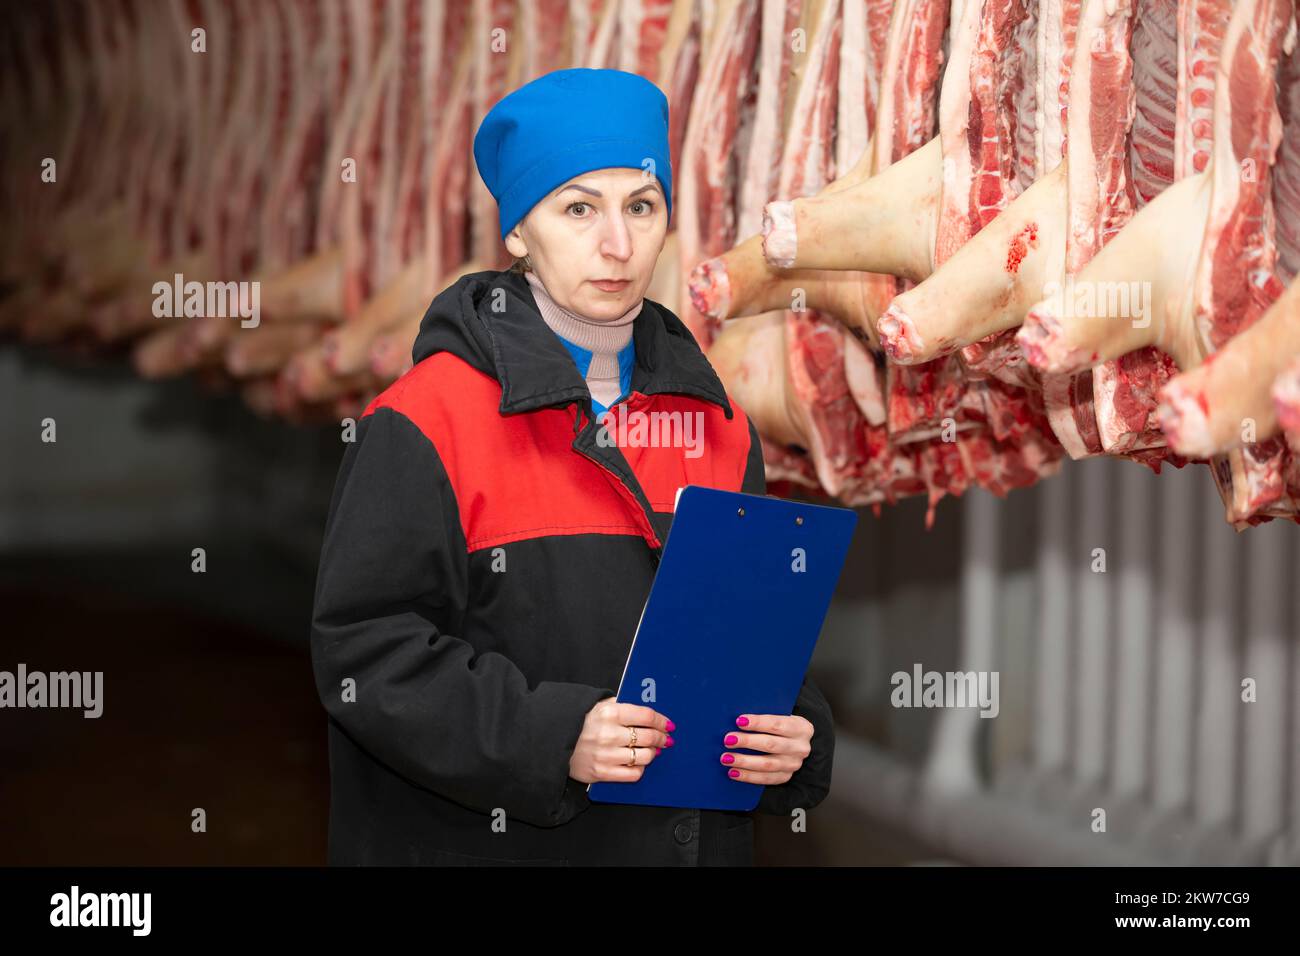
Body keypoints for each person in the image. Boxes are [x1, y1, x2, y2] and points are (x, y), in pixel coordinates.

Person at [309, 67, 834, 866]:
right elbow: (365, 657)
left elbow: (735, 640)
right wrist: (550, 738)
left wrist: (789, 730)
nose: (618, 245)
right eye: (579, 208)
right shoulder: (425, 419)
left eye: (641, 206)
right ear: (520, 231)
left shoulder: (716, 423)